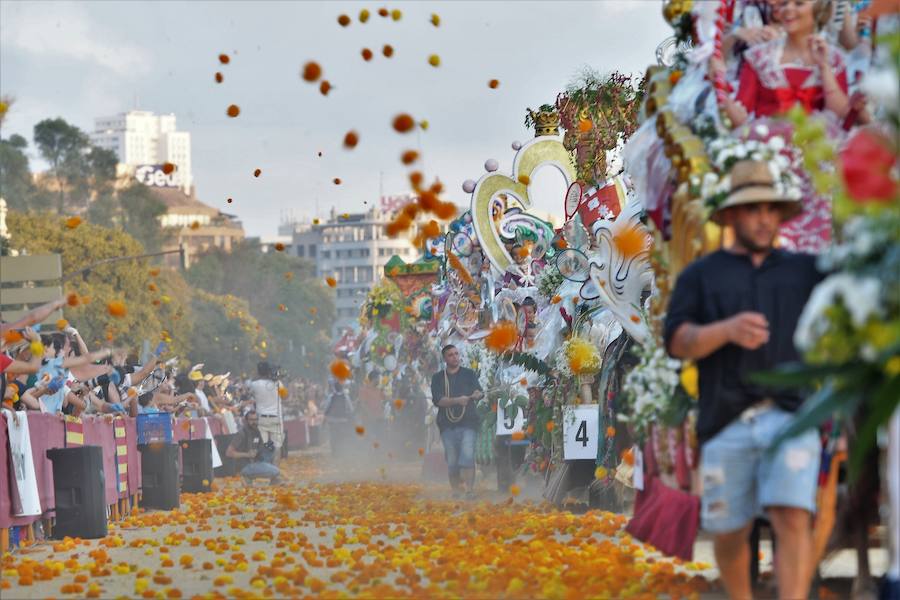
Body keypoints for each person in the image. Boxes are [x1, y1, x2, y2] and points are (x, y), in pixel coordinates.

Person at [664, 159, 825, 600]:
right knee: (729, 530)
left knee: (792, 515)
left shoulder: (806, 270)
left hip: (791, 416)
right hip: (725, 420)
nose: (764, 218)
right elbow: (676, 340)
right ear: (732, 215)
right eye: (753, 208)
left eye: (772, 208)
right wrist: (725, 331)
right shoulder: (702, 275)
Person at [430, 344, 483, 499]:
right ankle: (456, 490)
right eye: (451, 355)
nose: (455, 357)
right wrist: (458, 400)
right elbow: (438, 400)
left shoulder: (469, 374)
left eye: (456, 354)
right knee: (452, 460)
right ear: (445, 358)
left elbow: (478, 392)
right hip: (447, 424)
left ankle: (469, 490)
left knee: (467, 455)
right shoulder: (438, 378)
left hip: (468, 422)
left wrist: (477, 394)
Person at [226, 410, 281, 486]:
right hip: (244, 465)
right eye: (251, 420)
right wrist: (247, 454)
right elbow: (229, 453)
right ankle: (246, 476)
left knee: (272, 447)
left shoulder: (256, 431)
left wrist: (263, 450)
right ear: (246, 420)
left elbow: (261, 448)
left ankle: (274, 479)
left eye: (256, 419)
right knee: (275, 471)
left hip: (255, 461)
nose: (254, 422)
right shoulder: (241, 433)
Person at [249, 362, 285, 465]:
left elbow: (249, 393)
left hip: (261, 419)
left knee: (265, 445)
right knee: (277, 446)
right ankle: (275, 473)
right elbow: (286, 396)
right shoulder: (278, 383)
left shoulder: (254, 384)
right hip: (276, 418)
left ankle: (264, 468)